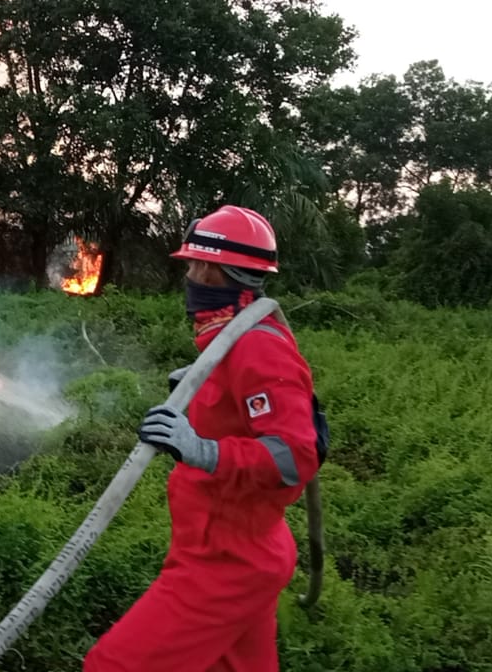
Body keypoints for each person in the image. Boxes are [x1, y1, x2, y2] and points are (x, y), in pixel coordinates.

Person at [84, 204, 323, 672]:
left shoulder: (257, 345)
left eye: (196, 265)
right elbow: (249, 413)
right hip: (229, 547)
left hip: (228, 561)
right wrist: (206, 389)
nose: (189, 275)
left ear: (222, 271)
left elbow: (296, 455)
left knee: (112, 665)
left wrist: (202, 450)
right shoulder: (230, 340)